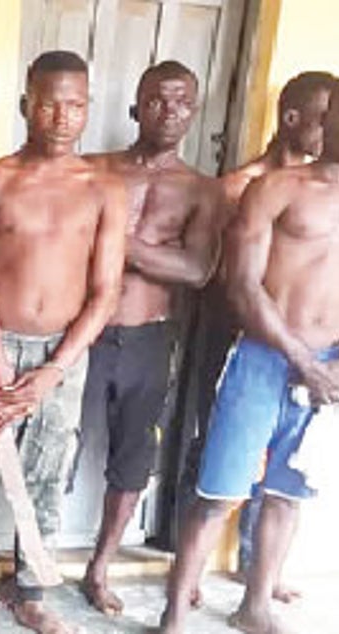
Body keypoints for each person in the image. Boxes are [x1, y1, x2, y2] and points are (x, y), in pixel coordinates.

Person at [157, 74, 339, 634]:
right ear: (329, 115)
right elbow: (243, 285)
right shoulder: (276, 190)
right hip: (263, 360)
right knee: (217, 493)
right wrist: (304, 362)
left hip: (331, 370)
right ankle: (174, 616)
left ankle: (255, 604)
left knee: (288, 494)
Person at [0, 50, 127, 634]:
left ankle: (32, 591)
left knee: (46, 477)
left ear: (88, 108)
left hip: (63, 356)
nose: (62, 117)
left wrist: (51, 372)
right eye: (49, 104)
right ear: (26, 105)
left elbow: (106, 292)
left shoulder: (104, 189)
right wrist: (1, 375)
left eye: (76, 105)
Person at [76, 60, 220, 616]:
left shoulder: (201, 191)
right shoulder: (93, 170)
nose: (170, 112)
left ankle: (99, 567)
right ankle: (29, 566)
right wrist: (151, 253)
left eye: (182, 102)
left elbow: (197, 270)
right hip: (80, 332)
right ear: (137, 105)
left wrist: (116, 242)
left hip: (148, 338)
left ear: (194, 111)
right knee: (51, 448)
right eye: (158, 99)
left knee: (133, 460)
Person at [196, 71, 339, 602]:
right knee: (219, 458)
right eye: (327, 118)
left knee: (285, 462)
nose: (337, 130)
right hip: (236, 337)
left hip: (300, 348)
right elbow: (218, 273)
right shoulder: (242, 186)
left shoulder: (333, 192)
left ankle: (257, 570)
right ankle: (188, 573)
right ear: (292, 118)